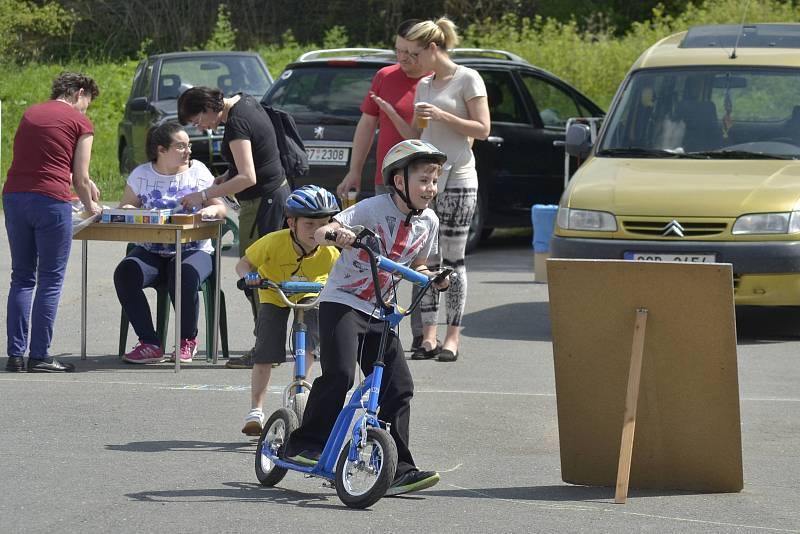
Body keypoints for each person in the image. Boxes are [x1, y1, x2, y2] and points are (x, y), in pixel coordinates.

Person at [284, 140, 450, 497]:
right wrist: (337, 234)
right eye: (423, 180)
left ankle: (399, 468)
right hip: (343, 302)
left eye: (435, 181)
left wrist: (432, 276)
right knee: (341, 374)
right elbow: (321, 231)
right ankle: (305, 443)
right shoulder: (372, 209)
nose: (431, 189)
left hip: (381, 311)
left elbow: (418, 263)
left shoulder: (429, 222)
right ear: (400, 181)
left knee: (399, 387)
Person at [387, 17, 491, 362]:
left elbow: (483, 129)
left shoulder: (467, 78)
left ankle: (452, 337)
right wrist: (391, 114)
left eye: (412, 53)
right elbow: (418, 136)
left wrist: (444, 116)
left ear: (433, 48)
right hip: (429, 179)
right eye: (402, 53)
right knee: (427, 258)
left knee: (454, 258)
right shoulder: (425, 84)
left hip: (459, 176)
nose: (407, 60)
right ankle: (428, 336)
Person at [177, 86, 290, 369]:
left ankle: (264, 349)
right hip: (276, 194)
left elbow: (248, 176)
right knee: (267, 272)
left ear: (206, 109)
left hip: (263, 202)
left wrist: (202, 196)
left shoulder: (236, 124)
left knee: (255, 275)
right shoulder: (247, 102)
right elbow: (256, 158)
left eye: (197, 121)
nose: (201, 128)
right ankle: (269, 345)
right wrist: (223, 177)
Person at [3, 72, 101, 373]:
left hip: (15, 197)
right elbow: (80, 177)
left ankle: (16, 355)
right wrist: (91, 205)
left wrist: (83, 183)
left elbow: (44, 160)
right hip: (51, 201)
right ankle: (40, 354)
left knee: (21, 277)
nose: (86, 108)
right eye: (87, 102)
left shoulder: (31, 113)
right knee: (50, 279)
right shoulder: (80, 122)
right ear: (79, 93)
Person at [113, 122, 226, 364]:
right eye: (181, 146)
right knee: (125, 272)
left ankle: (188, 340)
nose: (188, 151)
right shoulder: (141, 174)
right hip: (151, 249)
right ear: (161, 149)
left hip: (193, 249)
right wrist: (136, 211)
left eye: (189, 146)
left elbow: (220, 209)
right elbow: (125, 207)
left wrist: (204, 214)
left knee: (183, 271)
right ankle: (150, 343)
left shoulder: (199, 172)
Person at [235, 185, 340, 435]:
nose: (317, 231)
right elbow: (244, 264)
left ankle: (299, 393)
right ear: (291, 223)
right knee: (265, 352)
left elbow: (343, 275)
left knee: (310, 343)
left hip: (311, 295)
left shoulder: (330, 251)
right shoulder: (273, 242)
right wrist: (249, 278)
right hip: (274, 292)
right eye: (309, 225)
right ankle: (256, 410)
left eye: (323, 224)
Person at [336, 19, 427, 199]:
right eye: (398, 50)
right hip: (388, 178)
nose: (401, 57)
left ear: (423, 50)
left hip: (426, 179)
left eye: (408, 52)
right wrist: (355, 171)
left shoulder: (436, 80)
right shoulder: (385, 76)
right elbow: (367, 124)